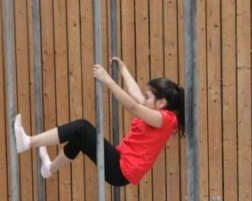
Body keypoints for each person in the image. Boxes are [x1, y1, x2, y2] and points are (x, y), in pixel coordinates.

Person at [14, 57, 185, 187]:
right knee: (79, 138)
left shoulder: (166, 120)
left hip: (121, 170)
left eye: (148, 97)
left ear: (161, 103)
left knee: (82, 127)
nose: (144, 99)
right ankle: (49, 169)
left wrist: (108, 80)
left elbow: (133, 106)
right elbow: (136, 95)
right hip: (121, 163)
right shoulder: (155, 114)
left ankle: (28, 142)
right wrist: (123, 69)